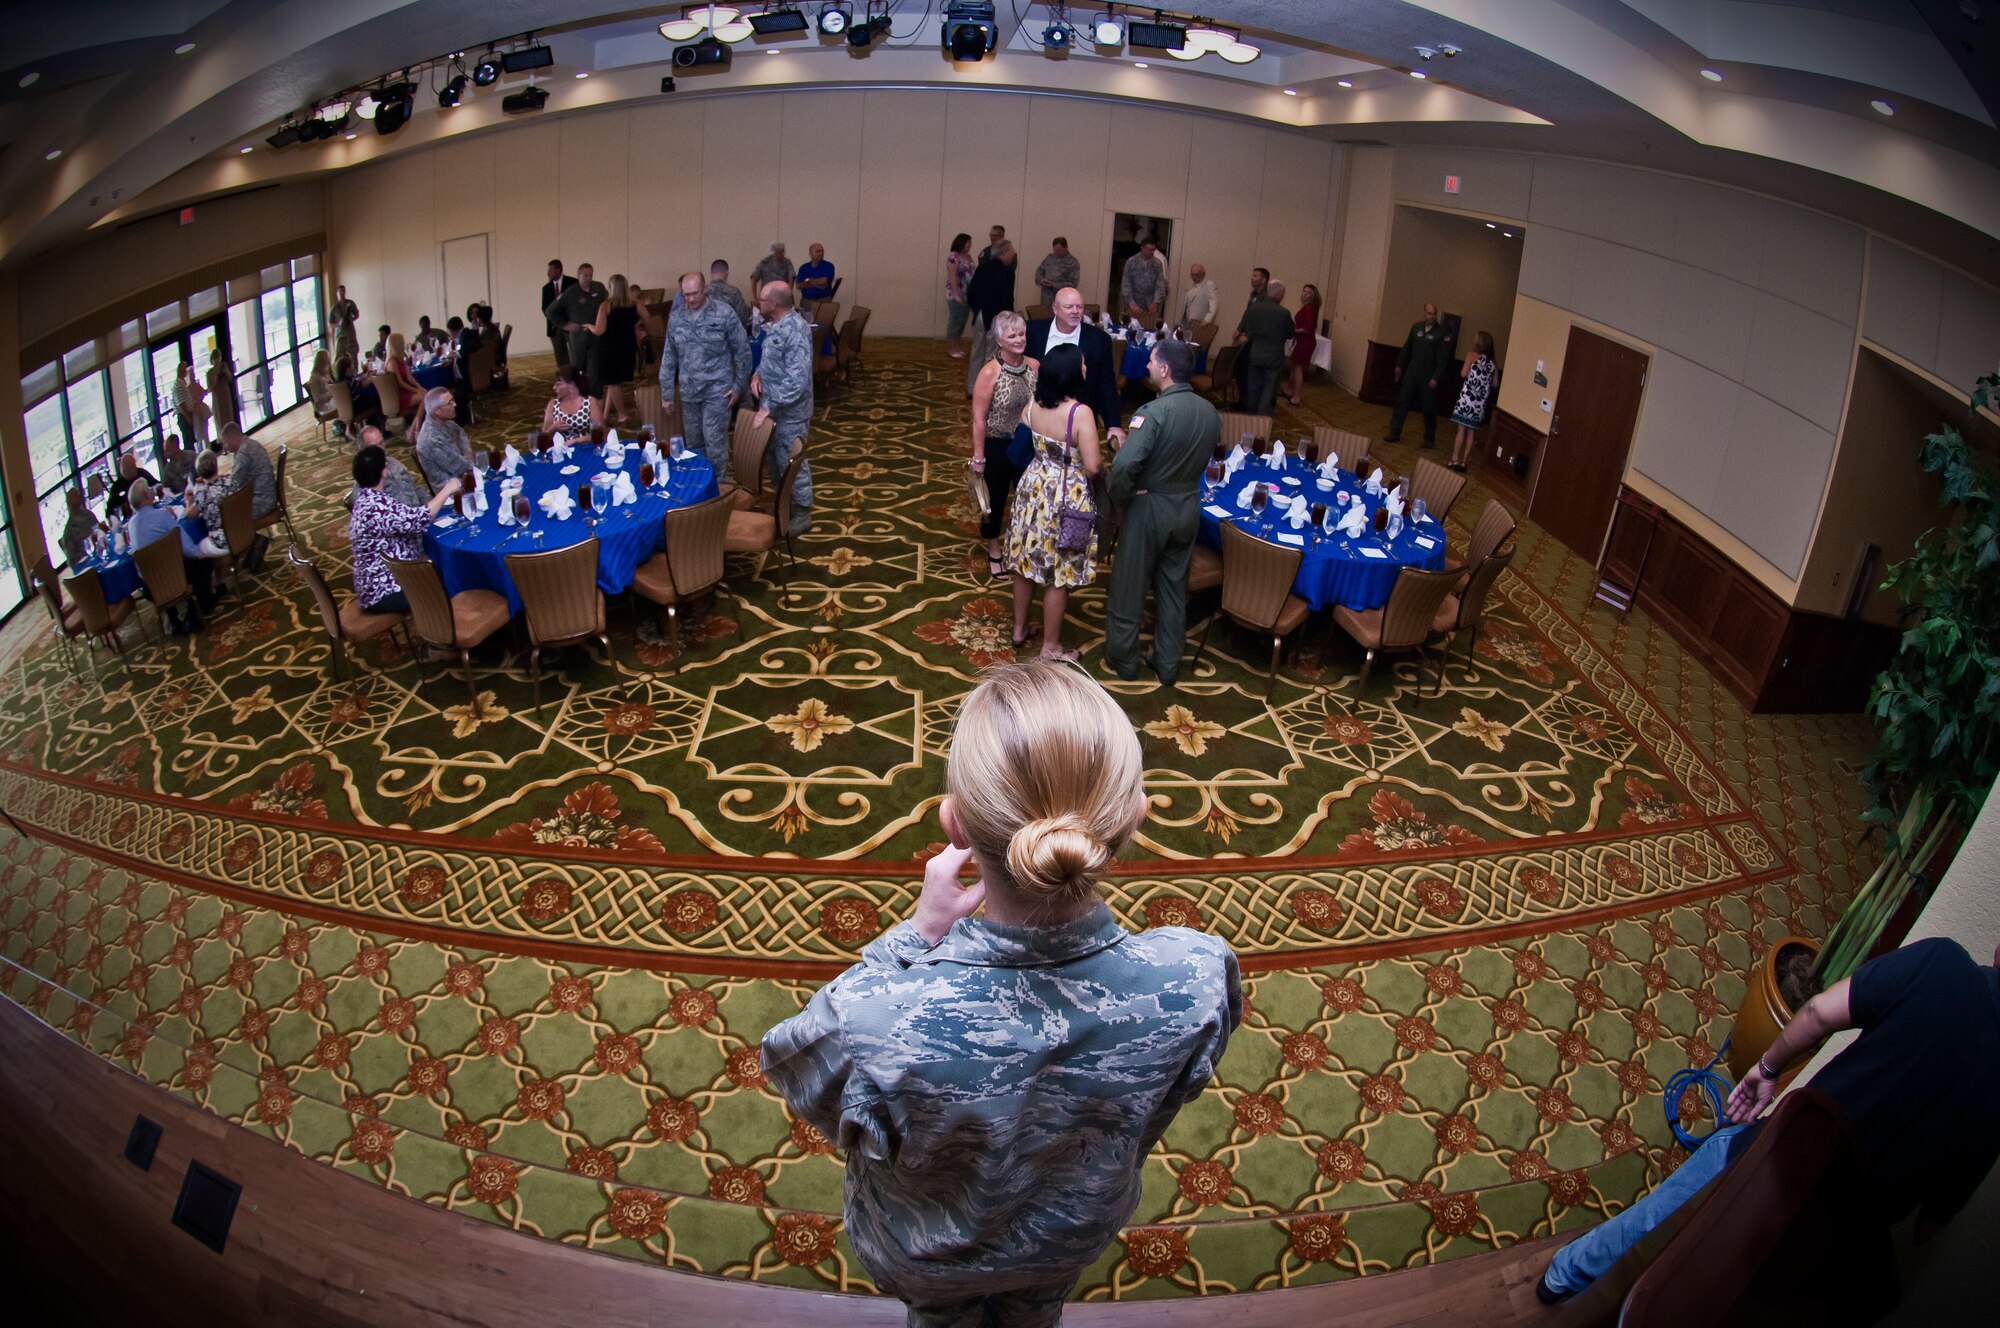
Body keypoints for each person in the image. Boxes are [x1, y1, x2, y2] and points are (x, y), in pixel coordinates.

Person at [764, 658, 1239, 1328]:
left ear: (953, 826)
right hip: (1068, 1238)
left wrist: (915, 936)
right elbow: (1170, 1095)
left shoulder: (871, 1020)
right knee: (1034, 1309)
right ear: (1134, 817)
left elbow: (805, 1085)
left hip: (924, 1253)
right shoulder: (1198, 975)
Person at [1538, 935, 2000, 1304]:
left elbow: (1819, 1011)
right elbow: (1926, 1230)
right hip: (1820, 1250)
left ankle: (1564, 1276)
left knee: (1662, 1215)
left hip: (1765, 1165)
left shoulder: (1944, 964)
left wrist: (1767, 1069)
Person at [1105, 340, 1221, 685]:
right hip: (1187, 506)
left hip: (1150, 507)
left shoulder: (1152, 413)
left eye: (1152, 362)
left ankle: (1124, 661)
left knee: (1129, 586)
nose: (1147, 367)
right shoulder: (1210, 412)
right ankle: (1168, 664)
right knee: (1173, 590)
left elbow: (1125, 465)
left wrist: (1121, 497)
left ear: (1166, 370)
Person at [1006, 344, 1101, 662]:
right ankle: (1050, 648)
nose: (1086, 367)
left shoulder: (1033, 403)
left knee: (1024, 565)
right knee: (1058, 574)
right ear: (1072, 374)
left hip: (1032, 490)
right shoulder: (1080, 413)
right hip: (1064, 498)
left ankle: (1019, 629)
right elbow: (1093, 466)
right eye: (1083, 364)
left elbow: (1022, 443)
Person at [349, 446, 463, 617]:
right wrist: (448, 489)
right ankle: (443, 634)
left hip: (375, 584)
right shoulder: (376, 507)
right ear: (383, 472)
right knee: (445, 581)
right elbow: (421, 517)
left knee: (440, 572)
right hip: (385, 591)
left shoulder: (365, 498)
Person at [969, 311, 1039, 581]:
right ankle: (994, 546)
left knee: (1028, 498)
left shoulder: (1034, 366)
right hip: (997, 446)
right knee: (995, 501)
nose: (1019, 339)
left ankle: (1022, 546)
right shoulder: (990, 371)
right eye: (1012, 335)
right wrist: (979, 456)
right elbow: (978, 419)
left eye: (1021, 334)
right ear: (999, 340)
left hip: (1027, 444)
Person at [660, 270, 751, 475]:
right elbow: (669, 356)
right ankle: (700, 488)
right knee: (694, 444)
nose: (690, 299)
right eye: (686, 294)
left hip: (717, 390)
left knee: (715, 442)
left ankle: (719, 487)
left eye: (695, 293)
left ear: (706, 289)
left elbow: (742, 351)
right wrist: (666, 393)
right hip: (689, 391)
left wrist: (738, 387)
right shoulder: (677, 317)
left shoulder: (724, 313)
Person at [749, 281, 815, 536]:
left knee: (792, 463)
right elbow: (771, 362)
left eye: (762, 300)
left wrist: (769, 405)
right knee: (776, 462)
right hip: (775, 408)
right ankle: (783, 505)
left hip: (791, 412)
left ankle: (801, 512)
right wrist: (757, 375)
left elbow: (796, 381)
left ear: (773, 304)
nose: (758, 303)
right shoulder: (775, 326)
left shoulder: (795, 329)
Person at [1026, 287, 1123, 446]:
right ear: (1055, 308)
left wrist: (1114, 424)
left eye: (1079, 306)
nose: (1075, 311)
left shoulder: (1099, 340)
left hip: (1077, 420)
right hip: (1037, 415)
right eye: (1069, 307)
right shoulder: (1033, 331)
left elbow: (1106, 383)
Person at [125, 479, 215, 633]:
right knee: (205, 564)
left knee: (162, 566)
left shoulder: (131, 525)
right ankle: (194, 613)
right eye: (150, 490)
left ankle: (173, 620)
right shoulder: (161, 515)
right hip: (174, 575)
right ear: (147, 495)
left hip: (152, 585)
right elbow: (185, 545)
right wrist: (199, 553)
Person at [1386, 300, 1455, 447]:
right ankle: (1394, 432)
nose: (1431, 316)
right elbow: (1407, 348)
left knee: (1428, 407)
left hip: (1428, 376)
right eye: (1429, 313)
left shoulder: (1441, 333)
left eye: (1434, 314)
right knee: (1402, 402)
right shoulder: (1416, 327)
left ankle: (1429, 438)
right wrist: (1399, 365)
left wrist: (1436, 377)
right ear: (1424, 313)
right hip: (1412, 372)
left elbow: (1443, 359)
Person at [963, 240, 1018, 396]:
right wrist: (1009, 320)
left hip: (980, 315)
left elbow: (971, 293)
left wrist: (977, 310)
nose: (1013, 255)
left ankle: (972, 388)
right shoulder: (1007, 272)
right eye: (1011, 252)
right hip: (996, 318)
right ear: (1004, 253)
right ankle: (986, 391)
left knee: (976, 353)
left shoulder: (982, 268)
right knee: (992, 355)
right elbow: (1007, 299)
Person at [589, 274, 644, 426]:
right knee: (615, 382)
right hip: (627, 346)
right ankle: (605, 415)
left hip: (610, 348)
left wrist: (589, 327)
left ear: (610, 287)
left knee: (613, 383)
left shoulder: (606, 305)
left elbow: (600, 330)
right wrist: (635, 324)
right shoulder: (633, 303)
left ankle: (622, 415)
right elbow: (647, 316)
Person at [220, 425, 276, 567]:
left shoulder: (243, 454)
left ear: (232, 439)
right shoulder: (251, 443)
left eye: (225, 443)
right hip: (268, 494)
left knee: (228, 519)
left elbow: (233, 484)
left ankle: (254, 543)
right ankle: (250, 545)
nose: (225, 448)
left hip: (261, 501)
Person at [1235, 278, 1292, 416]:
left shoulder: (1255, 308)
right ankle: (1262, 420)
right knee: (1269, 390)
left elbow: (1248, 328)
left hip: (1255, 353)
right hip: (1274, 356)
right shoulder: (1283, 313)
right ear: (1279, 294)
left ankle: (1250, 416)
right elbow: (1290, 333)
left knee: (1253, 387)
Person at [546, 263, 609, 388]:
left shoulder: (599, 288)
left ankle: (595, 396)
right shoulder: (571, 292)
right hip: (578, 337)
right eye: (585, 275)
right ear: (579, 276)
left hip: (596, 334)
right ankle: (577, 394)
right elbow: (550, 311)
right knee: (577, 367)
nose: (589, 278)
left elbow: (608, 303)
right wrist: (564, 325)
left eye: (591, 275)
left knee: (595, 367)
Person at [1448, 331, 1497, 472]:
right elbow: (1495, 384)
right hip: (1479, 403)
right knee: (1471, 432)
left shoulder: (1471, 355)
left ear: (1479, 342)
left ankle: (1454, 459)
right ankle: (1464, 462)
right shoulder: (1493, 363)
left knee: (1461, 430)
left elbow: (1463, 373)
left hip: (1467, 399)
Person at [414, 387, 476, 493]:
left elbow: (462, 436)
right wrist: (472, 460)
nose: (455, 404)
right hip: (452, 491)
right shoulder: (431, 440)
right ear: (437, 411)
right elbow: (460, 468)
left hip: (467, 477)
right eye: (450, 403)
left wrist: (468, 456)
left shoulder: (447, 423)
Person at [347, 424, 424, 509]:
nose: (381, 449)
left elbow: (414, 488)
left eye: (381, 443)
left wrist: (430, 506)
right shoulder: (365, 482)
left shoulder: (393, 463)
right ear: (364, 450)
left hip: (420, 514)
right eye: (375, 447)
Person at [184, 452, 231, 560]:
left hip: (222, 542)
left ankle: (212, 575)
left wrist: (188, 501)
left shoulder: (203, 494)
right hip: (242, 530)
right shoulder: (230, 480)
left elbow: (190, 514)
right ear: (216, 465)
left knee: (193, 548)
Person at [1233, 267, 1271, 402]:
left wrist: (1248, 336)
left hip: (1255, 341)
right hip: (1246, 336)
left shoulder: (1266, 297)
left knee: (1247, 372)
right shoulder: (1254, 294)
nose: (1252, 278)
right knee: (1240, 369)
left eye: (1255, 276)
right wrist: (1239, 328)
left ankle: (1247, 403)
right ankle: (1242, 400)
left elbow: (1261, 321)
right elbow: (1247, 315)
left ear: (1264, 279)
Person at [1287, 283, 1322, 407]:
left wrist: (1292, 330)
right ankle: (1290, 390)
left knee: (1298, 369)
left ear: (1313, 296)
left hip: (1305, 342)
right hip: (1303, 341)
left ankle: (1296, 397)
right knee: (1294, 365)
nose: (1305, 294)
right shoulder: (1309, 307)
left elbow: (1307, 328)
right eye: (1304, 291)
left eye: (1309, 293)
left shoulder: (1309, 309)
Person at [1120, 239, 1169, 326]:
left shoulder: (1157, 263)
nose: (1152, 252)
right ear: (1142, 248)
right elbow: (1126, 284)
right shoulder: (1131, 262)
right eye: (1150, 250)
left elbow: (1160, 284)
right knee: (1131, 329)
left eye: (1153, 249)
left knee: (1150, 331)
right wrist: (1131, 303)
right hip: (1134, 304)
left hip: (1150, 306)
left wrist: (1156, 302)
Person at [542, 365, 599, 440]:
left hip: (586, 447)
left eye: (558, 384)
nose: (554, 387)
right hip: (560, 449)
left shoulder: (590, 402)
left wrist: (576, 441)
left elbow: (600, 433)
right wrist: (553, 429)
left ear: (571, 385)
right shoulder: (553, 404)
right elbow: (543, 437)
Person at [541, 259, 578, 367]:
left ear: (558, 270)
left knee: (576, 353)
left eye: (550, 270)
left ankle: (578, 376)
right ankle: (565, 377)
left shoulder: (572, 283)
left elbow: (576, 304)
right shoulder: (546, 288)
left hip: (571, 325)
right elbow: (545, 308)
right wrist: (558, 322)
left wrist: (568, 323)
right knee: (560, 355)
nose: (548, 273)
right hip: (555, 327)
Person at [944, 233, 976, 359]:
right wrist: (956, 294)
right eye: (968, 242)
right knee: (955, 321)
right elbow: (952, 277)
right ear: (961, 243)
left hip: (968, 294)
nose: (970, 245)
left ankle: (957, 346)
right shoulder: (954, 257)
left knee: (962, 322)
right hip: (956, 294)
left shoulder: (968, 257)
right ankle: (952, 348)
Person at [58, 487, 102, 567]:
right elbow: (72, 561)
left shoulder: (88, 514)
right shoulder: (69, 531)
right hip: (87, 564)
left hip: (101, 552)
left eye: (78, 493)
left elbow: (100, 531)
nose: (79, 496)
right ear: (69, 502)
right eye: (75, 495)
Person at [106, 453, 158, 519]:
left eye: (135, 465)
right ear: (124, 471)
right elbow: (109, 512)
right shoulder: (116, 487)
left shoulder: (142, 473)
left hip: (150, 509)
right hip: (130, 518)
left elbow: (157, 484)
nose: (136, 469)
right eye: (132, 468)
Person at [706, 259, 753, 330]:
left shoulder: (702, 291)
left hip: (706, 335)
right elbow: (743, 317)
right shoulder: (734, 292)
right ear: (727, 273)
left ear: (711, 273)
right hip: (728, 335)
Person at [384, 333, 423, 416]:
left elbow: (409, 377)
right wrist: (416, 390)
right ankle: (417, 422)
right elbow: (400, 384)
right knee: (424, 397)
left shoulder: (399, 359)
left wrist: (419, 387)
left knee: (427, 393)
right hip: (398, 396)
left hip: (405, 392)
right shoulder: (392, 362)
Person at [1034, 237, 1080, 304]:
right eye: (1055, 250)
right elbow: (1039, 271)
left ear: (1066, 247)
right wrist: (1041, 280)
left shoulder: (1073, 262)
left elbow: (1073, 284)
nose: (1057, 252)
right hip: (1046, 299)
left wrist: (1054, 285)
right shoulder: (1050, 258)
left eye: (1059, 250)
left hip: (1062, 300)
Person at [307, 348, 340, 434]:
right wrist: (330, 393)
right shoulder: (314, 378)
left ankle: (347, 425)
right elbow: (317, 399)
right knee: (343, 402)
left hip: (331, 400)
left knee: (345, 399)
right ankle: (344, 426)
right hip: (323, 406)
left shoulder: (326, 372)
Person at [172, 361, 205, 446]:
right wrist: (188, 418)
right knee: (189, 442)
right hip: (184, 416)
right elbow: (181, 404)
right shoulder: (178, 385)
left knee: (191, 440)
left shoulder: (181, 383)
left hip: (187, 415)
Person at [327, 285, 360, 366]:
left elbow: (356, 314)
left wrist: (352, 319)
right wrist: (338, 324)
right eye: (340, 291)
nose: (342, 293)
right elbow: (329, 324)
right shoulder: (334, 308)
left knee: (353, 354)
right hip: (340, 334)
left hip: (350, 332)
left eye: (343, 291)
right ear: (337, 293)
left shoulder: (350, 303)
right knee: (341, 355)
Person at [206, 356, 239, 434]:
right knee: (220, 419)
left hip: (225, 394)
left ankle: (233, 434)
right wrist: (216, 378)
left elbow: (230, 379)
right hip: (217, 397)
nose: (217, 361)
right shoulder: (210, 373)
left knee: (229, 416)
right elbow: (210, 389)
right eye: (215, 359)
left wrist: (225, 371)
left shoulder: (224, 367)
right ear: (212, 360)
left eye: (218, 357)